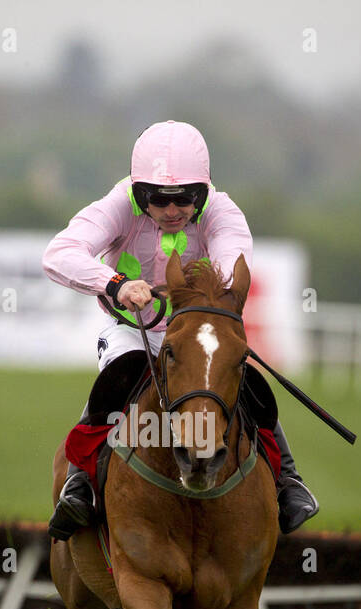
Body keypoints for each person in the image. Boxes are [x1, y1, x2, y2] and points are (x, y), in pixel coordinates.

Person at [42, 120, 318, 539]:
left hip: (196, 332)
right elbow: (58, 253)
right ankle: (80, 481)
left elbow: (229, 274)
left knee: (245, 379)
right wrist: (115, 285)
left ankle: (288, 483)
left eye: (185, 198)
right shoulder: (118, 205)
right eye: (157, 198)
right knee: (119, 376)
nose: (172, 211)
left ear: (203, 193)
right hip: (133, 329)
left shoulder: (223, 214)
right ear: (138, 193)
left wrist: (187, 296)